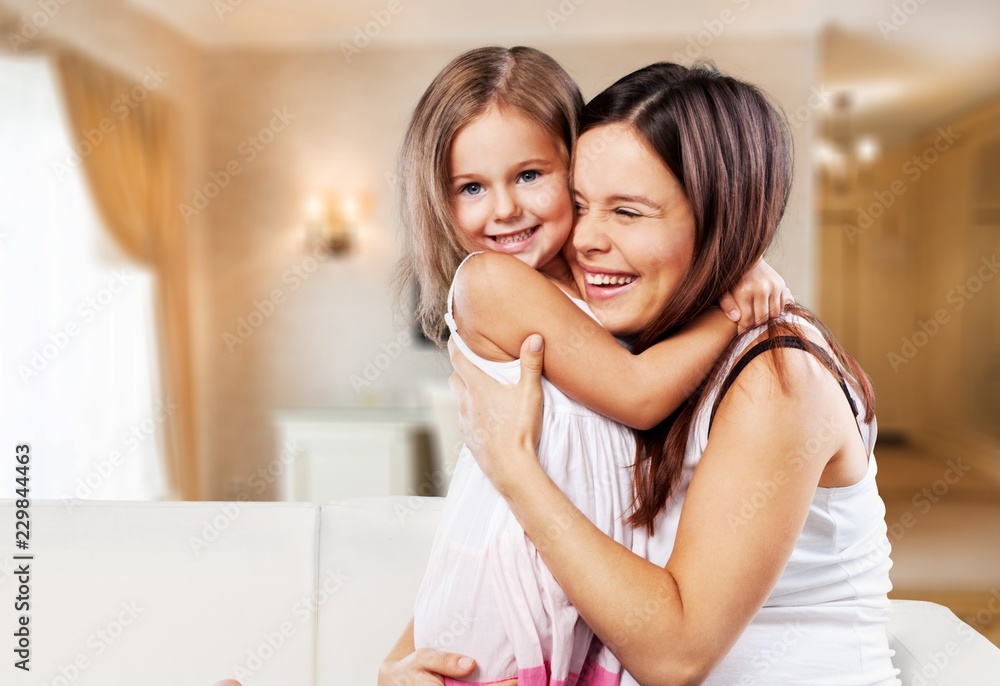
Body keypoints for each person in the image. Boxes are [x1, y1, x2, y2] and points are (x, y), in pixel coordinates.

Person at [383, 62, 899, 685]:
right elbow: (498, 532)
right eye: (579, 204)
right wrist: (401, 664)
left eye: (627, 212)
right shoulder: (625, 346)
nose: (586, 240)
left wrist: (513, 466)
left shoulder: (776, 377)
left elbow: (675, 658)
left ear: (719, 219)